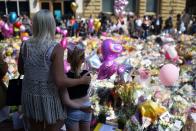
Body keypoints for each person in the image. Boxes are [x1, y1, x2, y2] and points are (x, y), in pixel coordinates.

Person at [18, 10, 91, 131]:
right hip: (48, 97)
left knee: (35, 127)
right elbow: (60, 81)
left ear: (35, 24)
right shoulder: (55, 47)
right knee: (56, 124)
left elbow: (21, 70)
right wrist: (82, 81)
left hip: (29, 94)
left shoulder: (24, 45)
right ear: (51, 25)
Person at [63, 42, 92, 131]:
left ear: (68, 59)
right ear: (83, 59)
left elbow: (66, 101)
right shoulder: (87, 75)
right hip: (87, 108)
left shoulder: (64, 77)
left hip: (73, 110)